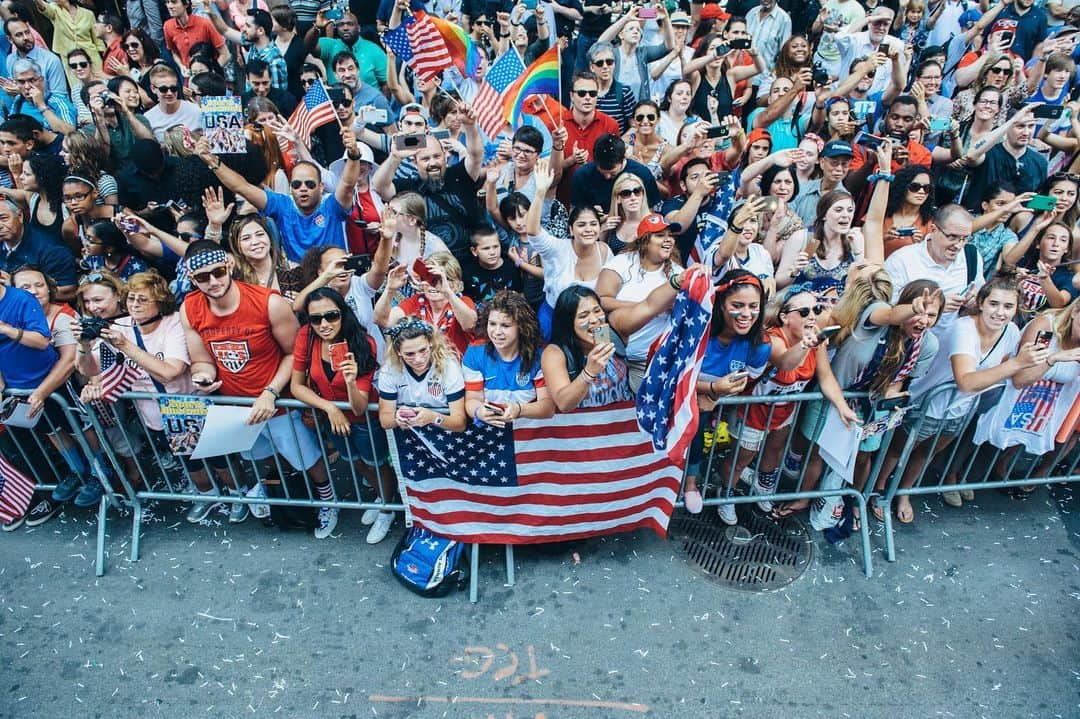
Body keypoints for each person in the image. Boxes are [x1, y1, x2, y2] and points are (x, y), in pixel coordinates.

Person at [179, 241, 336, 538]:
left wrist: (271, 392)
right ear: (192, 279)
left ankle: (330, 500)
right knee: (260, 454)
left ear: (229, 265)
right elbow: (201, 359)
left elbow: (295, 353)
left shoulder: (268, 302)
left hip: (279, 404)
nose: (213, 282)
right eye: (203, 277)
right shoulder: (190, 308)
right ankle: (275, 490)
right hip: (238, 407)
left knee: (306, 457)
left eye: (218, 272)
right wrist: (203, 375)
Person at [875, 277, 1044, 519]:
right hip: (928, 402)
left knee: (928, 452)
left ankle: (904, 493)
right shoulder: (963, 328)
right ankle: (880, 492)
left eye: (1008, 307)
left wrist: (1050, 359)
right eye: (994, 304)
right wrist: (1017, 363)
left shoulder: (1012, 332)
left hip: (961, 408)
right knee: (898, 450)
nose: (1000, 312)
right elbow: (966, 381)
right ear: (982, 303)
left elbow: (1014, 377)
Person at [719, 289, 855, 516]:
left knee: (775, 449)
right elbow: (785, 363)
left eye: (816, 309)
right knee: (741, 459)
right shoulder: (771, 339)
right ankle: (726, 496)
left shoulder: (816, 337)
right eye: (804, 311)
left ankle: (763, 489)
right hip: (752, 412)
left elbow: (825, 376)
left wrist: (842, 407)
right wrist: (805, 346)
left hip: (784, 411)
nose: (812, 316)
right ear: (785, 317)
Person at [291, 288, 396, 544]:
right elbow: (296, 386)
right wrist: (330, 408)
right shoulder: (307, 336)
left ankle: (387, 508)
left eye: (331, 316)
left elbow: (359, 407)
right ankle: (383, 497)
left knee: (375, 463)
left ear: (343, 313)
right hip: (333, 419)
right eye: (316, 318)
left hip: (365, 419)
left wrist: (350, 381)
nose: (324, 324)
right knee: (354, 461)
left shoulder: (363, 342)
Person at [194, 127, 364, 263]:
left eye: (310, 184)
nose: (303, 188)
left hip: (334, 276)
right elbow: (242, 187)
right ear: (291, 187)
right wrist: (212, 161)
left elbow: (348, 184)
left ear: (321, 187)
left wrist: (353, 155)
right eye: (297, 184)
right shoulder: (283, 205)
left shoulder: (332, 205)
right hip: (298, 280)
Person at [371, 110, 486, 262]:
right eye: (425, 159)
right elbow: (380, 186)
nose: (432, 163)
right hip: (429, 266)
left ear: (445, 156)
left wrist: (470, 126)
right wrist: (395, 157)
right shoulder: (409, 187)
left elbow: (475, 156)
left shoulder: (459, 175)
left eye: (437, 156)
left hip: (471, 262)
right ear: (415, 162)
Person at [527, 159, 613, 338]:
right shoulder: (557, 248)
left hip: (594, 321)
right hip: (554, 319)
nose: (588, 229)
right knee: (554, 361)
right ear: (570, 229)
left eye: (593, 224)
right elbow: (533, 232)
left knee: (603, 358)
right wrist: (541, 192)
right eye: (581, 225)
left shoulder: (604, 250)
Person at [597, 213, 683, 391]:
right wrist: (648, 306)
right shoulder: (622, 262)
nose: (668, 240)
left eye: (670, 236)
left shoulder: (678, 273)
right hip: (609, 353)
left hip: (648, 360)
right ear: (644, 240)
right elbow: (600, 300)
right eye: (660, 235)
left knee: (637, 410)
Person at [464, 290, 556, 427]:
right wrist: (479, 411)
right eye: (492, 324)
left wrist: (519, 409)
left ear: (521, 327)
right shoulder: (475, 352)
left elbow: (547, 407)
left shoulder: (541, 355)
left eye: (505, 325)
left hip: (530, 431)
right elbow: (472, 399)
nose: (496, 332)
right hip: (491, 430)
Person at [541, 285, 633, 411]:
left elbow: (650, 306)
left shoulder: (614, 333)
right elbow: (563, 404)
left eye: (597, 311)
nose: (595, 320)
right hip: (586, 426)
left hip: (622, 424)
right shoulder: (555, 353)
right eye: (583, 316)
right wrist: (589, 372)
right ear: (568, 322)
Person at [374, 252, 477, 357]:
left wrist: (447, 291)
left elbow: (470, 325)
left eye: (439, 280)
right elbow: (382, 320)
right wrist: (390, 289)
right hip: (422, 367)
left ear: (455, 283)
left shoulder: (463, 301)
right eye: (428, 278)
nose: (433, 285)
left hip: (458, 368)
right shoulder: (415, 301)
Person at [0, 197, 76, 301]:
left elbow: (69, 290)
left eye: (3, 218)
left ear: (20, 216)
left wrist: (13, 288)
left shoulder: (50, 249)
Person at [462, 224, 521, 309]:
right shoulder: (467, 273)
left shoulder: (512, 268)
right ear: (474, 251)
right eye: (486, 248)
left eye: (496, 246)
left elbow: (520, 298)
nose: (492, 252)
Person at [142, 64, 201, 140]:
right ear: (153, 89)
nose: (169, 93)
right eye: (163, 89)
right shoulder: (149, 118)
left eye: (173, 88)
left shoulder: (195, 111)